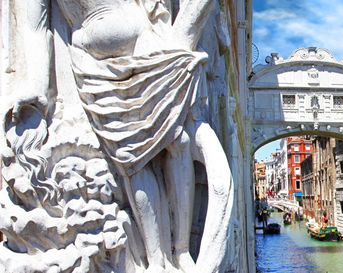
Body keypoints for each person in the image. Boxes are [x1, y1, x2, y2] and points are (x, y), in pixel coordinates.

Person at [4, 1, 233, 272]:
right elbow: (35, 26)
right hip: (95, 64)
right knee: (131, 158)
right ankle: (156, 260)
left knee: (178, 140)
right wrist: (38, 85)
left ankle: (181, 252)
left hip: (146, 41)